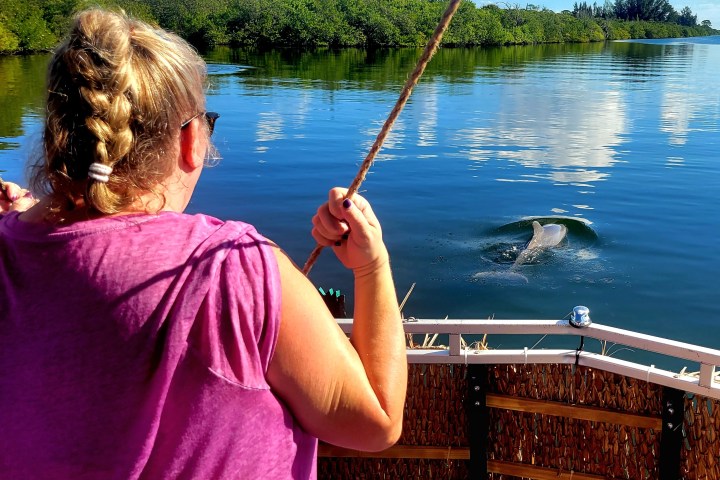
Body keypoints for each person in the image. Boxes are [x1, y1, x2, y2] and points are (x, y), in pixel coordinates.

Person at [0, 8, 407, 479]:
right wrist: (371, 267)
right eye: (207, 119)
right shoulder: (232, 266)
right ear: (191, 139)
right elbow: (375, 424)